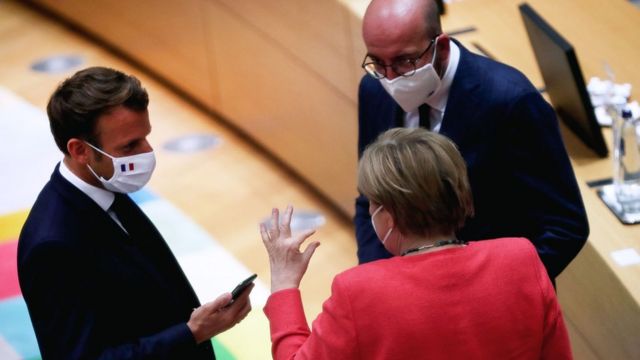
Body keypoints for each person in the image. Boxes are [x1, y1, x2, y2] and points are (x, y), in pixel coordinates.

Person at [261, 127, 572, 359]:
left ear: (389, 214)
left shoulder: (358, 292)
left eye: (370, 202)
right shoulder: (521, 258)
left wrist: (285, 286)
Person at [17, 67, 253, 359]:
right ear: (80, 150)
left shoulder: (106, 186)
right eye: (130, 145)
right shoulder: (52, 246)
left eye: (146, 137)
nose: (147, 151)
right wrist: (192, 332)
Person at [354, 0, 589, 279]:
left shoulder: (510, 103)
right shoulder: (374, 90)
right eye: (378, 63)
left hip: (493, 296)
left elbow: (565, 225)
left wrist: (498, 291)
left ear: (440, 47)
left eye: (405, 61)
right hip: (407, 295)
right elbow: (370, 198)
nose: (390, 78)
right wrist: (377, 280)